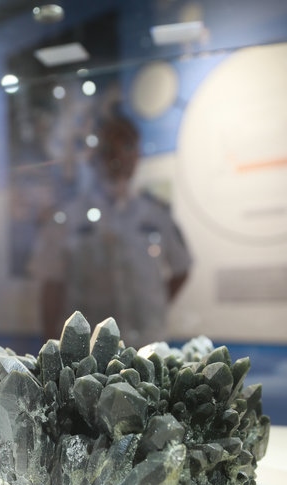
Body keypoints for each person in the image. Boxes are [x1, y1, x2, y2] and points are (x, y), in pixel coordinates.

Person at [29, 110, 192, 349]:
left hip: (146, 347)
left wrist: (153, 308)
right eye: (109, 148)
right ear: (94, 155)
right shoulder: (68, 218)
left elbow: (181, 267)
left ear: (137, 154)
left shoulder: (157, 215)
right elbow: (52, 285)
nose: (118, 156)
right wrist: (50, 349)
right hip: (89, 353)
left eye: (127, 146)